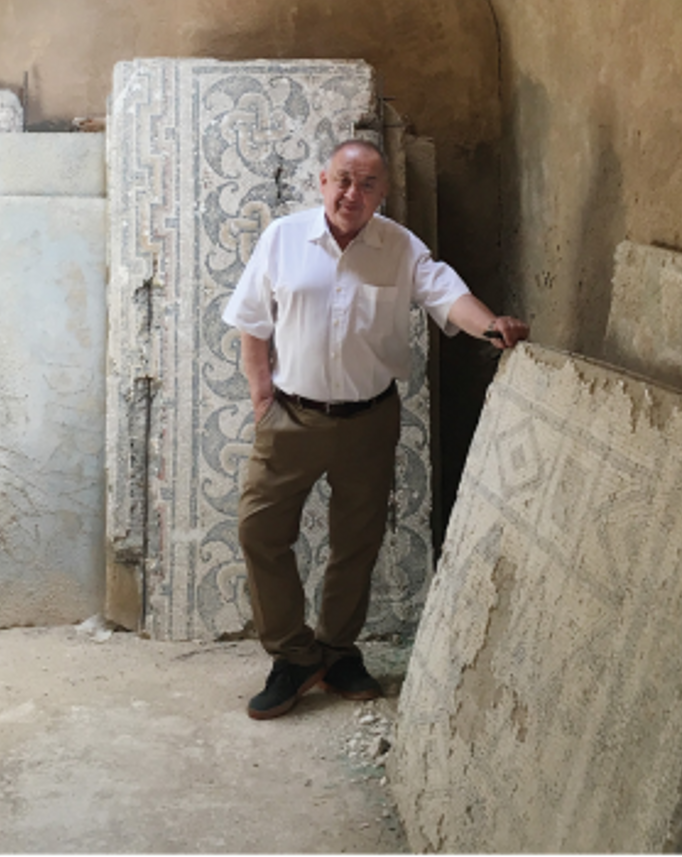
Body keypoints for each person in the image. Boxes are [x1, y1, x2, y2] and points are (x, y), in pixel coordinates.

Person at [223, 138, 529, 720]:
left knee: (356, 542)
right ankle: (293, 656)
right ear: (322, 181)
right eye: (342, 180)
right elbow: (252, 324)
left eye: (366, 185)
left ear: (382, 194)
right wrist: (263, 397)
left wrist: (491, 326)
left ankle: (337, 652)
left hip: (369, 419)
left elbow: (448, 295)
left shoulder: (400, 248)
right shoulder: (283, 239)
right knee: (259, 531)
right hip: (291, 416)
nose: (351, 194)